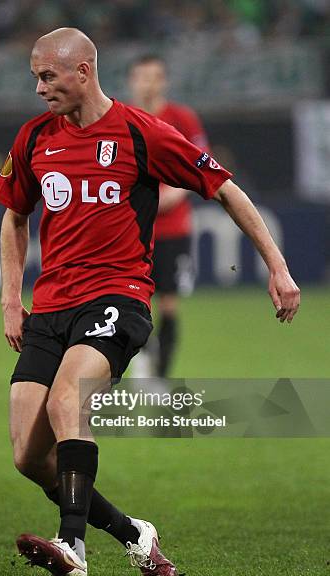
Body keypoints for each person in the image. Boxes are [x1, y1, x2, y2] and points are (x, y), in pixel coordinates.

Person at [0, 28, 300, 576]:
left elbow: (225, 188)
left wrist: (276, 267)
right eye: (35, 76)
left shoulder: (141, 132)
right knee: (27, 455)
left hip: (118, 296)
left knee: (69, 401)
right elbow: (14, 217)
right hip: (51, 306)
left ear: (83, 71)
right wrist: (12, 299)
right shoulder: (34, 138)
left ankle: (72, 548)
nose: (38, 88)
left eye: (47, 76)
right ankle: (136, 535)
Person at [127, 54, 209, 379]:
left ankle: (160, 373)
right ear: (132, 80)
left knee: (170, 303)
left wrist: (174, 194)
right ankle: (143, 358)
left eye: (155, 77)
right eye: (142, 77)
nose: (148, 83)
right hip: (131, 228)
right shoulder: (120, 117)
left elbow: (203, 165)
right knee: (134, 300)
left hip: (173, 228)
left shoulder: (182, 118)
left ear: (165, 81)